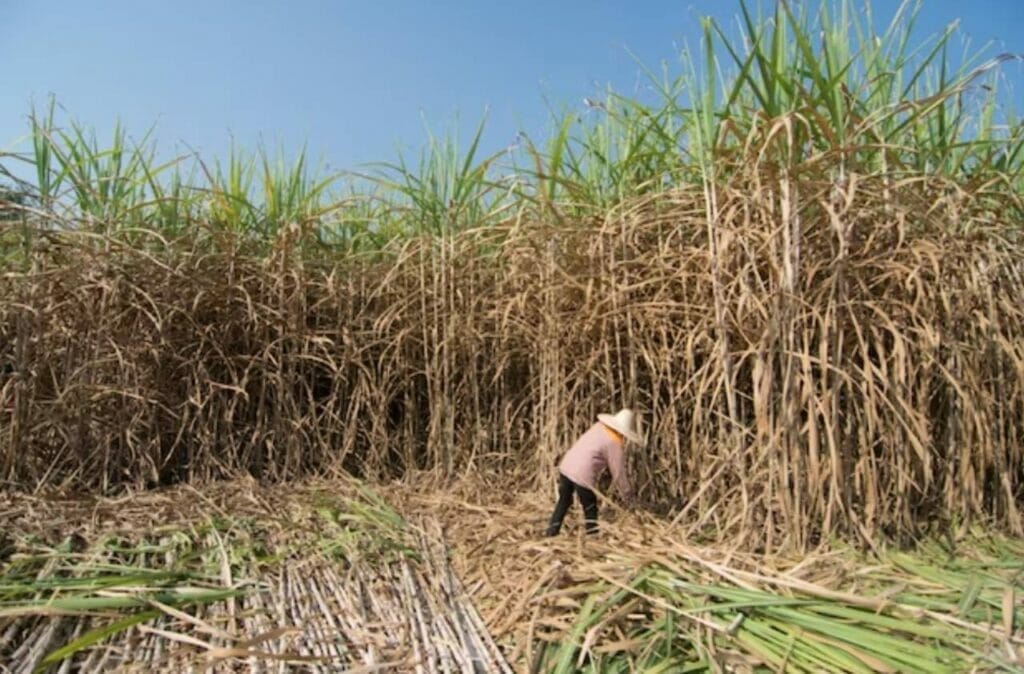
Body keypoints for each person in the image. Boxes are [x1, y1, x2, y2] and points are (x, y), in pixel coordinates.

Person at [545, 408, 643, 536]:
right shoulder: (613, 443)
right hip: (582, 475)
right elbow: (618, 473)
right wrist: (628, 496)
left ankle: (551, 531)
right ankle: (592, 535)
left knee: (564, 500)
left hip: (566, 466)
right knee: (590, 506)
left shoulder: (598, 427)